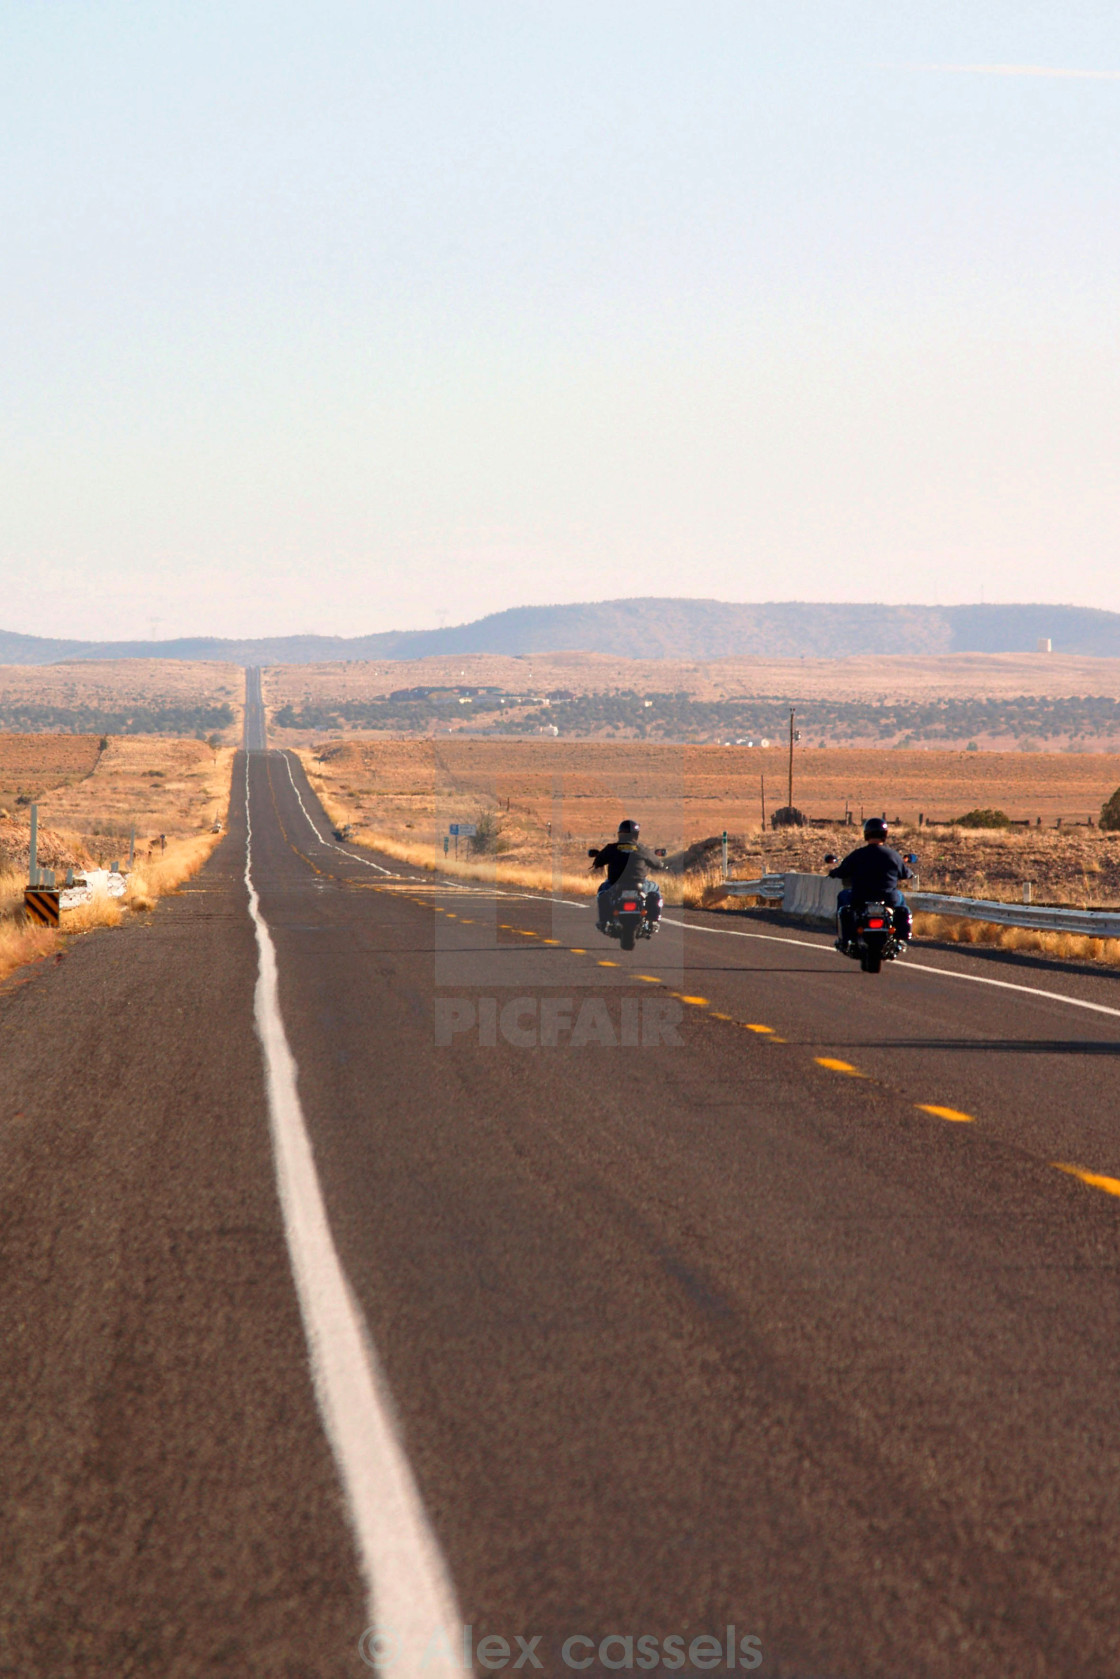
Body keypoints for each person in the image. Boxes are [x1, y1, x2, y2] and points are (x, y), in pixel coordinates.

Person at [828, 818, 913, 952]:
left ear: (866, 834)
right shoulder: (893, 856)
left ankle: (843, 938)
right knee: (901, 900)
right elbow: (906, 873)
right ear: (884, 834)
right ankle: (898, 938)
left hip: (860, 897)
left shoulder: (857, 855)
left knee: (843, 897)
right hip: (888, 897)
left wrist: (833, 872)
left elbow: (842, 871)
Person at [588, 820, 665, 932]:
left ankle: (604, 920)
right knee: (656, 889)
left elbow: (598, 861)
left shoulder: (612, 848)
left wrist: (598, 859)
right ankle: (654, 920)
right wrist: (660, 864)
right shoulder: (642, 849)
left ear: (620, 834)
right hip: (640, 884)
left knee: (602, 891)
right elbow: (658, 864)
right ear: (636, 834)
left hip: (615, 884)